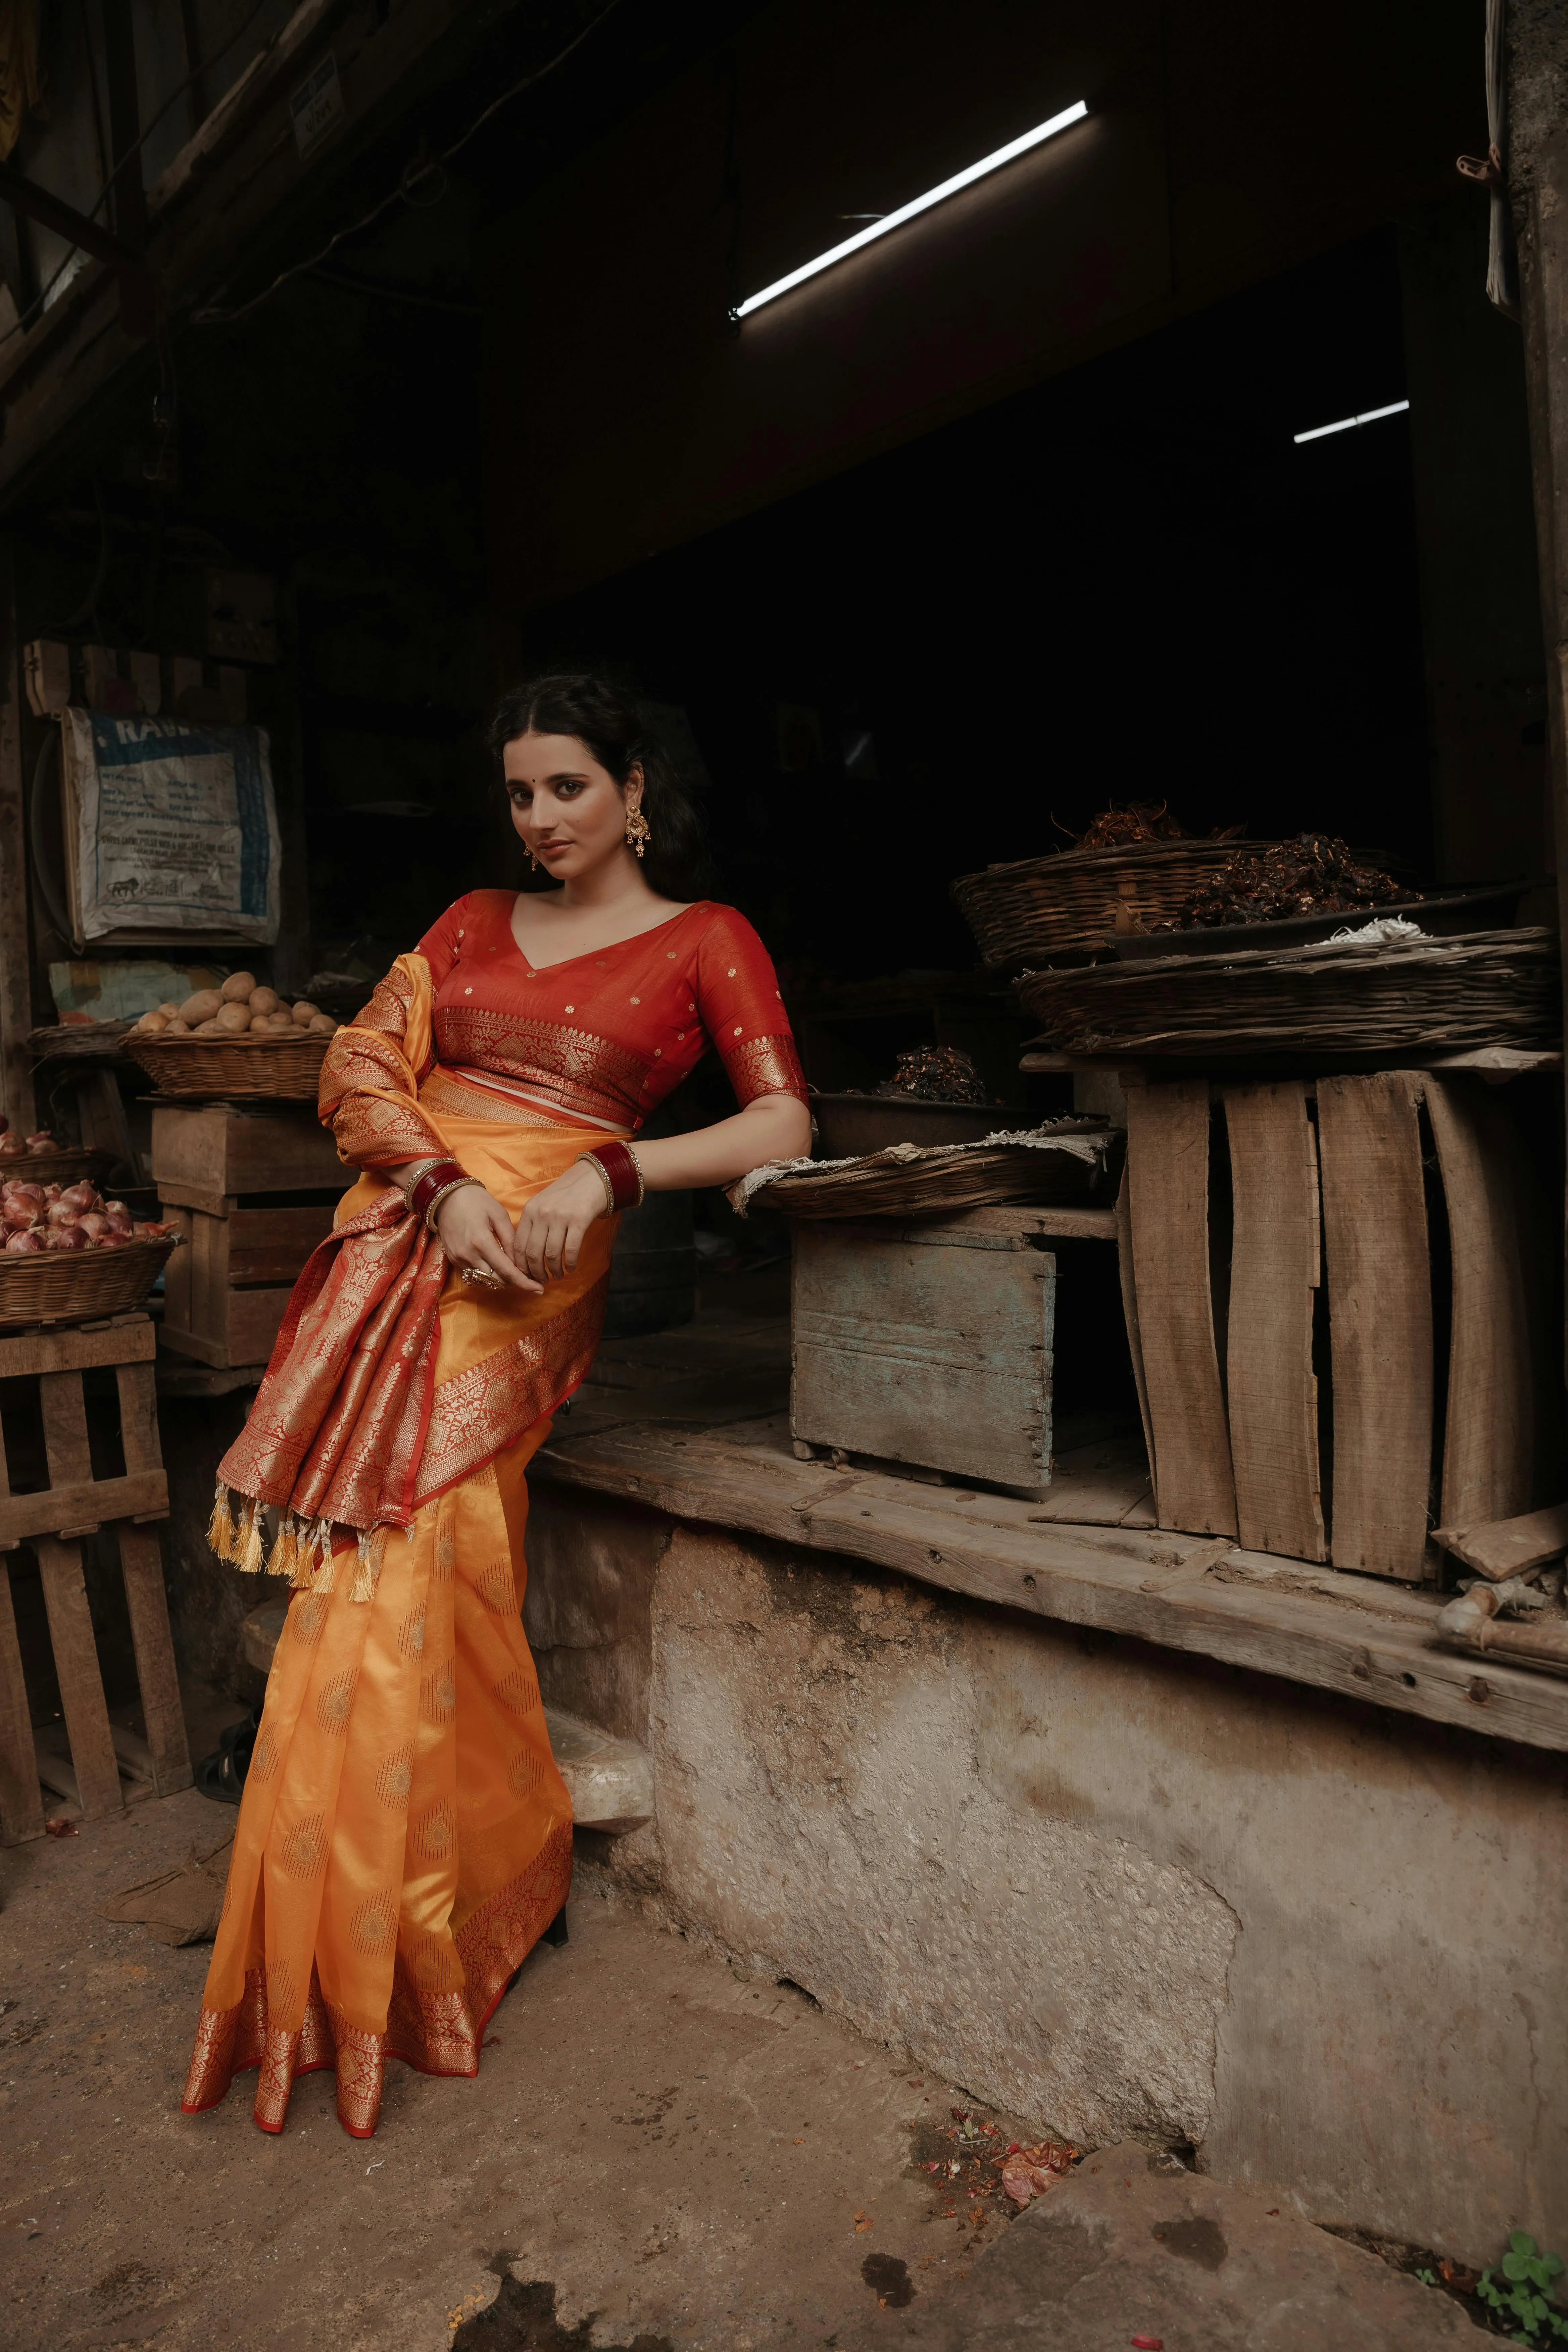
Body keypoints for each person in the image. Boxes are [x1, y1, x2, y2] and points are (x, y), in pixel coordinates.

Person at [181, 673, 812, 2138]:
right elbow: (359, 1064)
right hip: (412, 1236)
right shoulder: (468, 921)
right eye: (521, 792)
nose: (539, 816)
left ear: (635, 787)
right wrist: (437, 1183)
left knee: (408, 1558)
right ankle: (407, 1909)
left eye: (568, 786)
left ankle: (393, 1936)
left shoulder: (706, 938)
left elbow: (784, 1117)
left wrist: (614, 1170)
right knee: (403, 1574)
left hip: (533, 1270)